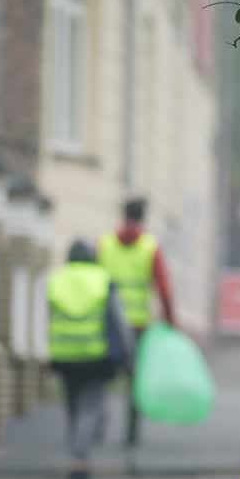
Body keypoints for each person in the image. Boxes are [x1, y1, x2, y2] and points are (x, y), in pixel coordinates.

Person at [48, 239, 132, 479]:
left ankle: (77, 450)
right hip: (94, 354)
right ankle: (80, 462)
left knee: (73, 405)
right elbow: (119, 320)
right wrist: (129, 354)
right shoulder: (103, 280)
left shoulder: (57, 280)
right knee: (90, 408)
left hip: (63, 354)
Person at [98, 198, 176, 463]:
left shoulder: (106, 244)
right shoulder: (149, 247)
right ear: (143, 218)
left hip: (107, 322)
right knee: (133, 380)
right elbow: (163, 288)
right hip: (138, 325)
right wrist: (169, 320)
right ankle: (131, 434)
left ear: (123, 215)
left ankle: (97, 424)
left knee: (104, 374)